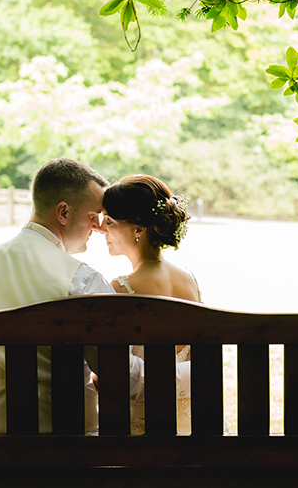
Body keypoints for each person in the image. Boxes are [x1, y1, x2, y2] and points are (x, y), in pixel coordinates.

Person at [0, 158, 114, 433]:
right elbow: (114, 370)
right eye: (94, 216)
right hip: (67, 449)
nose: (99, 227)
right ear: (63, 213)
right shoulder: (81, 280)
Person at [97, 174, 198, 434]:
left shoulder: (120, 289)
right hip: (196, 425)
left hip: (145, 432)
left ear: (138, 229)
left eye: (109, 221)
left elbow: (114, 372)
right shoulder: (188, 279)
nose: (102, 230)